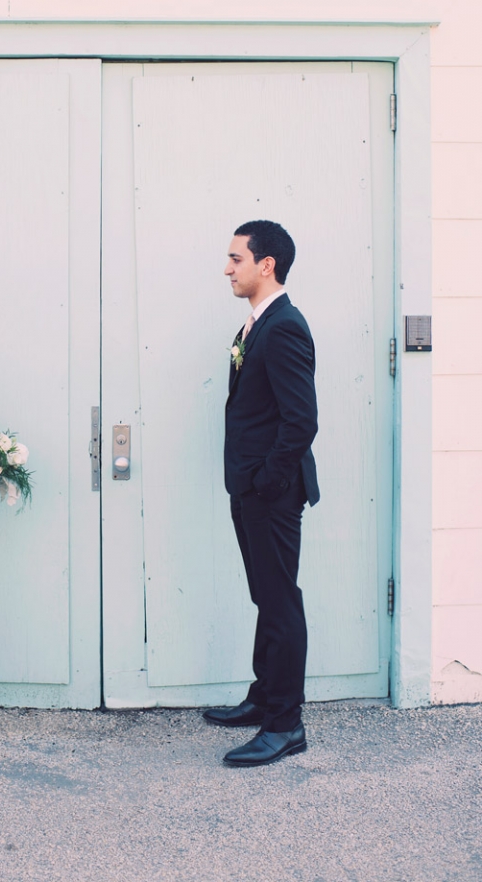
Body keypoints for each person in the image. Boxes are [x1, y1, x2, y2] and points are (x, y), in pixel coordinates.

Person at [204, 220, 320, 767]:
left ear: (265, 263)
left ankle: (285, 725)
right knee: (265, 597)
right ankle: (263, 696)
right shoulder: (254, 325)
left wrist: (266, 482)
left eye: (235, 258)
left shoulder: (285, 327)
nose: (227, 268)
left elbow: (301, 423)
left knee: (280, 602)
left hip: (270, 492)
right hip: (250, 488)